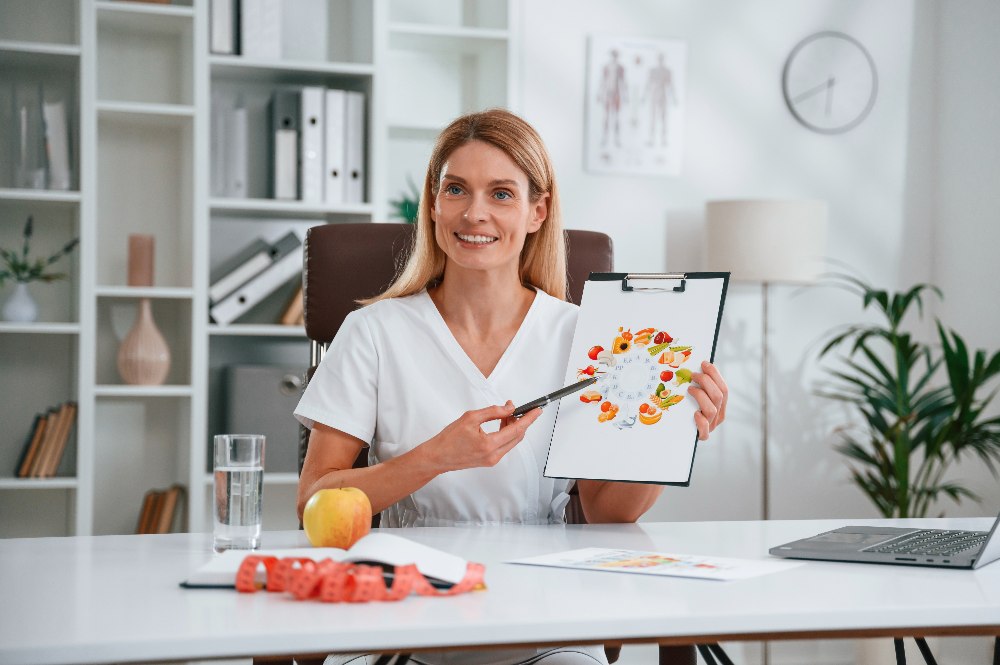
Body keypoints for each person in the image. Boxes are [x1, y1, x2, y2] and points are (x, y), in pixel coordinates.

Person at [294, 109, 728, 665]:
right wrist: (435, 458)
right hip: (403, 615)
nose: (474, 213)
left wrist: (671, 432)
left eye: (501, 194)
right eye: (456, 189)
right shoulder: (374, 331)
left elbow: (608, 514)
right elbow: (314, 501)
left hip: (547, 617)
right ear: (434, 203)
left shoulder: (584, 337)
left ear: (537, 211)